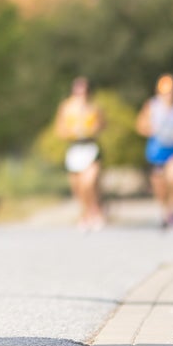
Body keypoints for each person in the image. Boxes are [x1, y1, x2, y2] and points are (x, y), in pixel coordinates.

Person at [136, 74, 173, 229]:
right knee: (159, 184)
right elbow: (140, 125)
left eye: (172, 91)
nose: (169, 95)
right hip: (157, 150)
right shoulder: (152, 106)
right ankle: (164, 209)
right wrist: (150, 129)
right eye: (166, 92)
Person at [54, 76, 106, 231]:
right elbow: (60, 129)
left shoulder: (94, 107)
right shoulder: (66, 107)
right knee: (77, 187)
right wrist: (72, 132)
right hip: (74, 148)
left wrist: (92, 129)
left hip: (90, 147)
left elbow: (102, 125)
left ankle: (95, 210)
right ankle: (85, 213)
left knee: (89, 182)